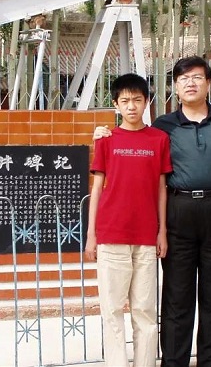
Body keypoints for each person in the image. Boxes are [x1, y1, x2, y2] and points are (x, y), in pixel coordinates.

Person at [94, 56, 211, 367]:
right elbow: (132, 142)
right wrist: (101, 132)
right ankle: (174, 362)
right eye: (183, 78)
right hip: (179, 211)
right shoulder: (163, 126)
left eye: (197, 77)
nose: (190, 83)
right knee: (177, 294)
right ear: (175, 86)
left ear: (209, 82)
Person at [85, 73, 172, 367]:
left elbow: (161, 188)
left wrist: (162, 231)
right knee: (111, 311)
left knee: (145, 311)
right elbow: (97, 188)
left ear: (146, 102)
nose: (131, 106)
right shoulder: (106, 140)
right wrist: (92, 235)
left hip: (146, 237)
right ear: (116, 104)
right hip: (111, 235)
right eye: (125, 101)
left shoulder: (159, 139)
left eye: (137, 100)